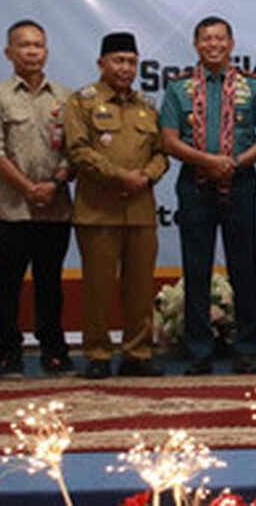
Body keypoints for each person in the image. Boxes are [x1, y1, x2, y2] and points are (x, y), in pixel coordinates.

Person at [160, 16, 256, 376]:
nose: (213, 45)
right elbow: (169, 140)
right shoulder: (179, 89)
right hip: (194, 184)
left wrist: (234, 163)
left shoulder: (253, 87)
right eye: (206, 39)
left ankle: (247, 349)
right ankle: (198, 351)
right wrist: (207, 161)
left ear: (232, 43)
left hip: (240, 183)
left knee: (245, 267)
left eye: (220, 39)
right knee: (196, 269)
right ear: (196, 45)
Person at [64, 32, 169, 379]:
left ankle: (137, 353)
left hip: (140, 209)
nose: (126, 68)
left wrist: (146, 176)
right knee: (98, 287)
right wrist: (121, 176)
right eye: (118, 61)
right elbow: (78, 151)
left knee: (140, 287)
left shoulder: (146, 107)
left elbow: (161, 154)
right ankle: (96, 353)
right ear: (101, 63)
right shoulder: (81, 103)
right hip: (98, 210)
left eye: (132, 62)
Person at [0, 20, 74, 379]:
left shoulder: (65, 98)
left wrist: (54, 182)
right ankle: (8, 354)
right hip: (12, 209)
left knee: (51, 283)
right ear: (8, 52)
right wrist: (28, 188)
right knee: (8, 285)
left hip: (56, 207)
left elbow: (74, 152)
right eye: (24, 45)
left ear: (46, 51)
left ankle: (54, 352)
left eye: (38, 45)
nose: (32, 51)